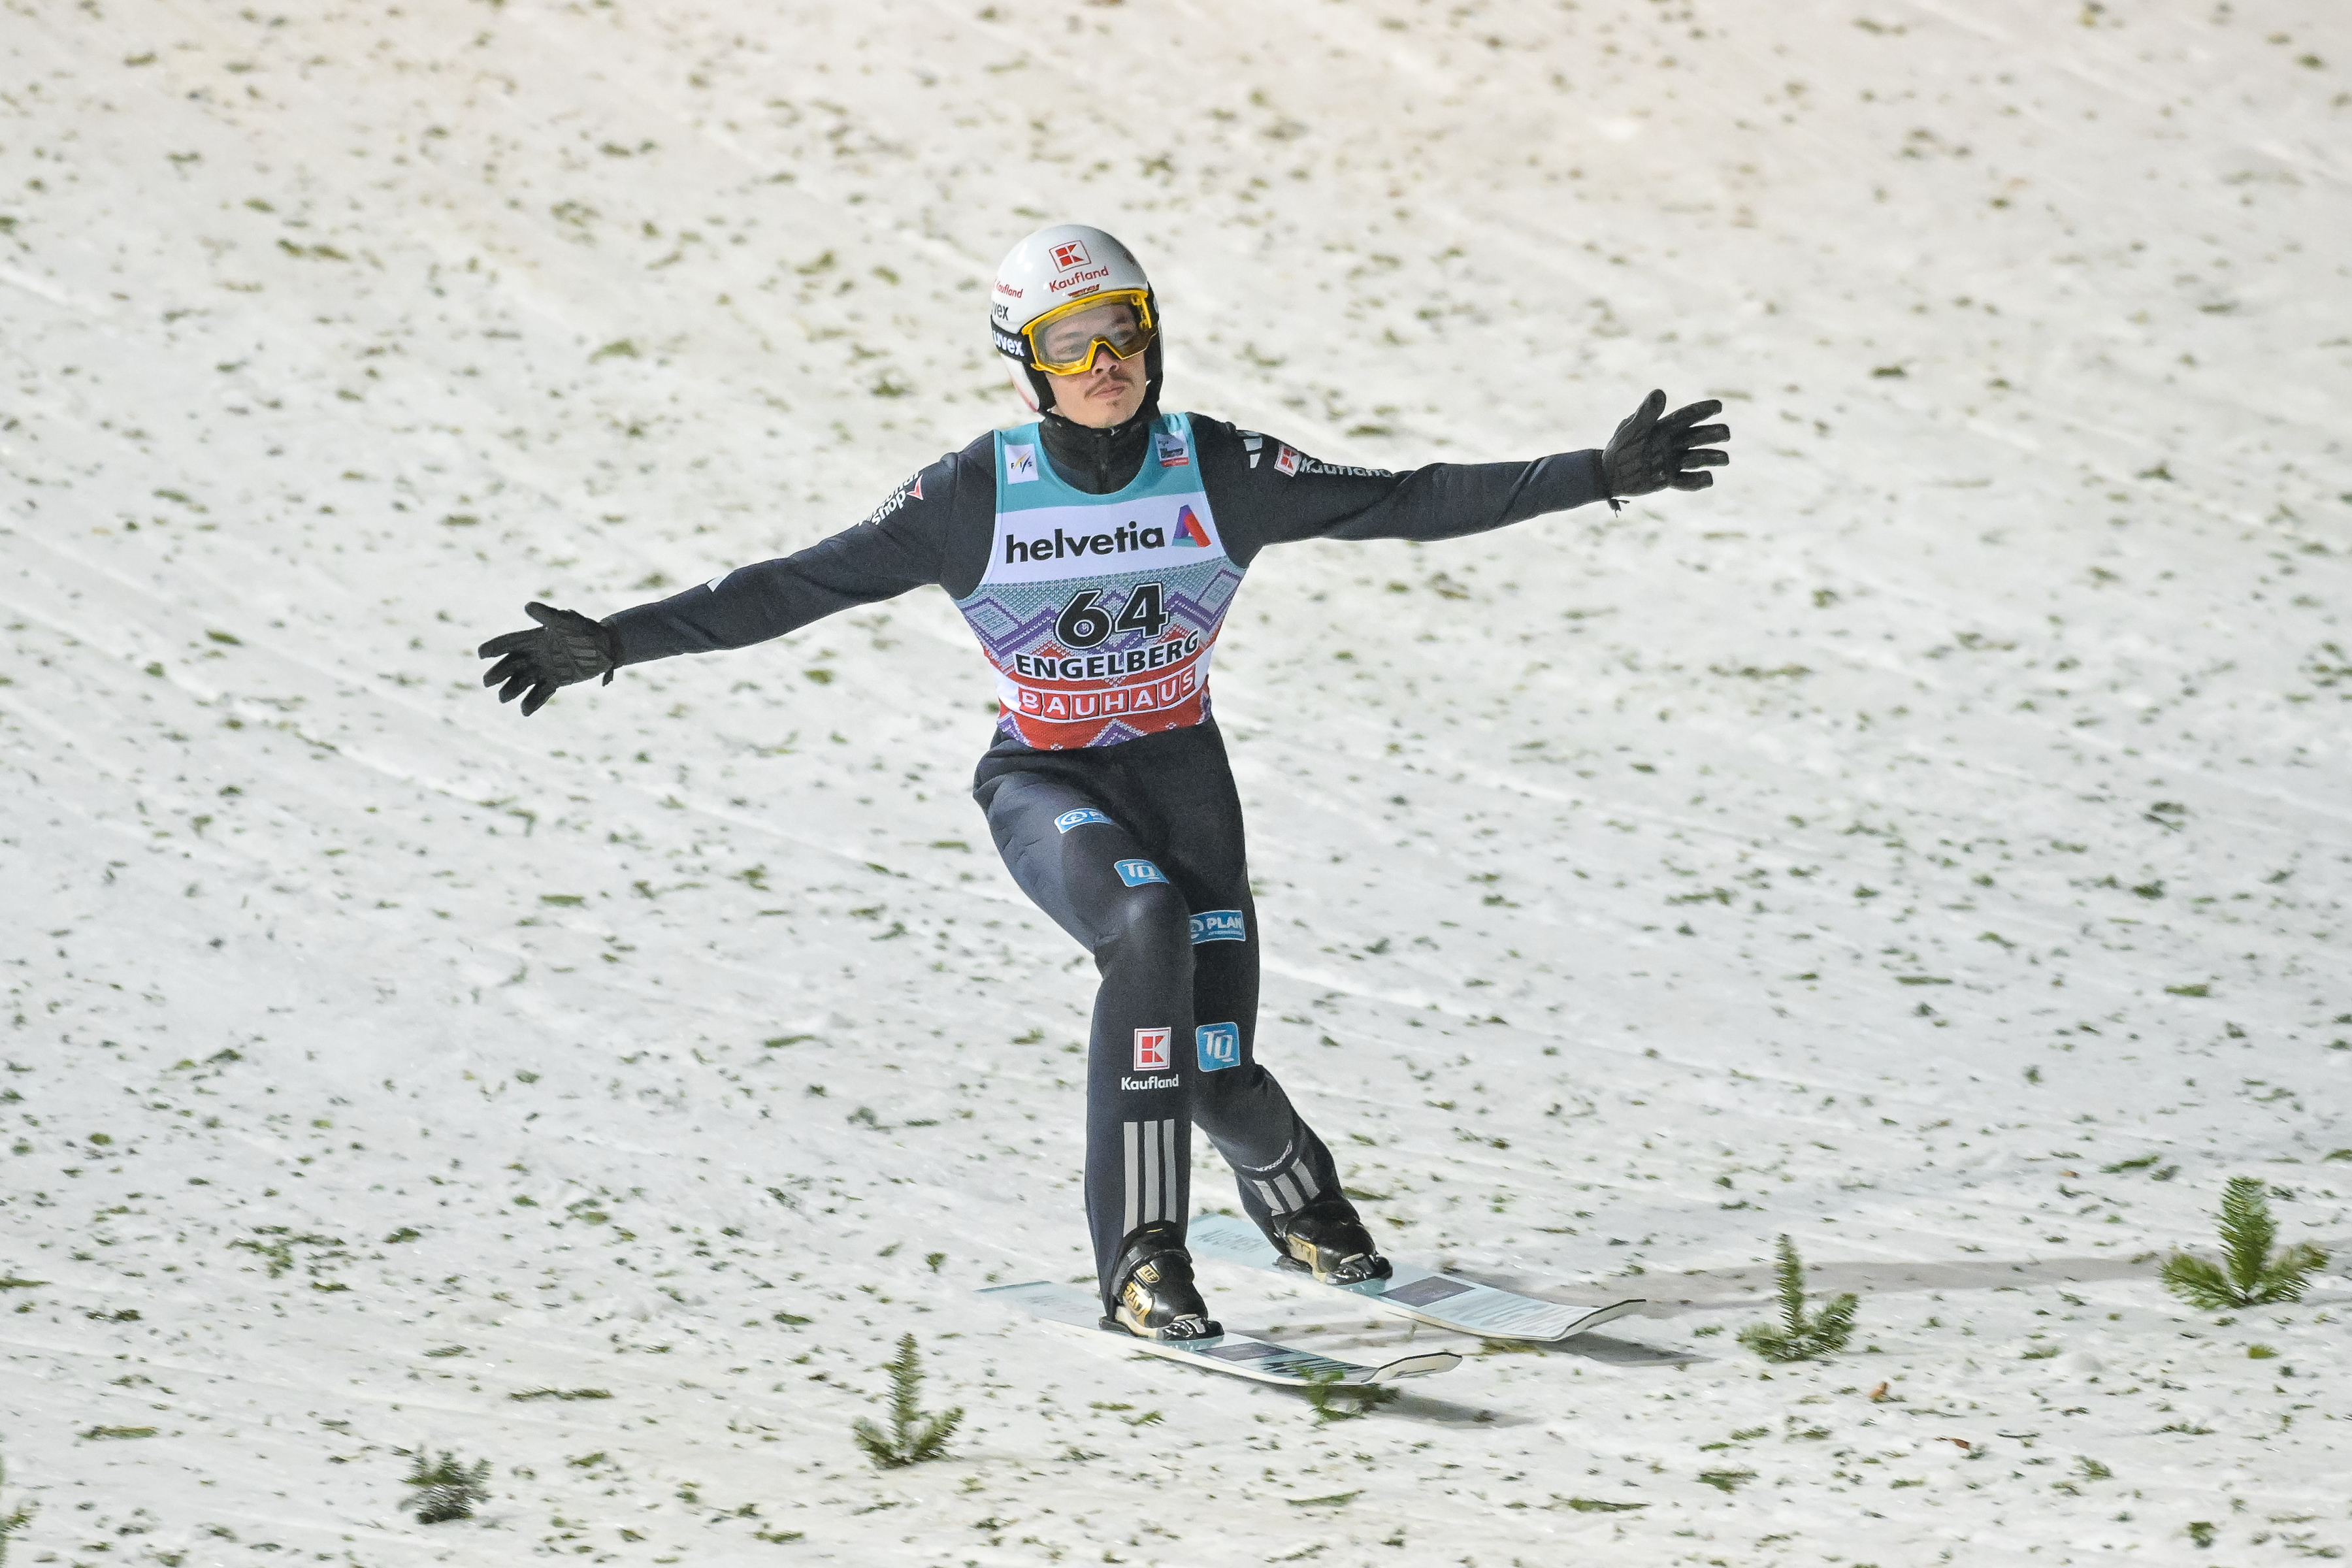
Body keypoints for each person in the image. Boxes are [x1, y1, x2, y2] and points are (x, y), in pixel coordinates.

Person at [477, 223, 1730, 1341]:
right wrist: (618, 641)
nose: (1103, 364)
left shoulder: (1218, 467)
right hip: (1045, 779)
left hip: (1182, 775)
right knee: (1146, 922)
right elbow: (791, 585)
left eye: (1122, 334)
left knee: (1212, 1067)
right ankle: (1143, 1258)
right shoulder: (974, 492)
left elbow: (1400, 499)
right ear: (1029, 363)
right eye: (1070, 345)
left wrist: (1596, 473)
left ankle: (1300, 1197)